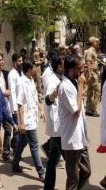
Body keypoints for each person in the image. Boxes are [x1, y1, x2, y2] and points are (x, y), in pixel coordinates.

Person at [58, 56, 91, 190]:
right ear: (71, 70)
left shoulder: (74, 83)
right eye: (80, 69)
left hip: (80, 137)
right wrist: (81, 86)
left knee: (86, 171)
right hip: (71, 140)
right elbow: (76, 112)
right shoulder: (65, 87)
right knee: (73, 178)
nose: (82, 71)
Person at [12, 59, 45, 181]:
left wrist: (41, 110)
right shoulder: (22, 82)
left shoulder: (31, 81)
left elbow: (35, 97)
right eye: (33, 68)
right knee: (34, 146)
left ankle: (15, 165)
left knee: (22, 143)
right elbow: (19, 104)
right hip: (27, 121)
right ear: (29, 69)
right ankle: (42, 173)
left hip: (33, 117)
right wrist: (21, 123)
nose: (35, 70)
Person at [43, 55, 64, 190]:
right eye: (63, 64)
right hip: (57, 125)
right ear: (58, 66)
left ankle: (48, 187)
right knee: (71, 160)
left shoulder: (61, 78)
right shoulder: (52, 80)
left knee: (53, 159)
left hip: (59, 125)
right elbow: (48, 99)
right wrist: (54, 94)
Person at [6, 53, 23, 156]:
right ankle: (16, 153)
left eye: (21, 60)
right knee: (17, 131)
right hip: (15, 108)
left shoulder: (19, 73)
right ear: (14, 63)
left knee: (19, 131)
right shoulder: (12, 74)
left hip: (20, 106)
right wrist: (14, 109)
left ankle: (14, 146)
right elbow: (12, 92)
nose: (21, 63)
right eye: (19, 61)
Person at [84, 36, 101, 117]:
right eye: (96, 41)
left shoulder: (92, 50)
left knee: (90, 91)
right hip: (92, 73)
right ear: (93, 42)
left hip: (93, 72)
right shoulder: (90, 51)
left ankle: (88, 109)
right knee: (97, 91)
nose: (97, 43)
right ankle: (93, 109)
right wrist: (90, 74)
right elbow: (88, 62)